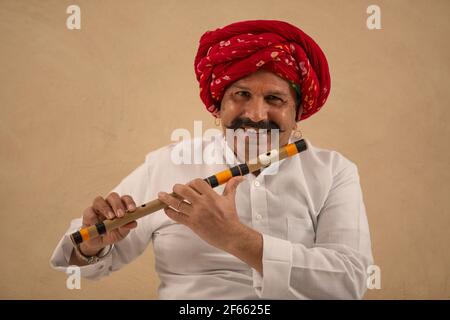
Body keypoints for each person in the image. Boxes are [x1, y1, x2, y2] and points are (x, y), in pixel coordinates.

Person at [50, 20, 373, 299]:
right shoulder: (168, 162)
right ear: (218, 106)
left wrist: (234, 237)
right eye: (241, 95)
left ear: (298, 112)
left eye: (274, 99)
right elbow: (79, 265)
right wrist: (92, 245)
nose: (257, 115)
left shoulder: (333, 171)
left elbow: (348, 283)